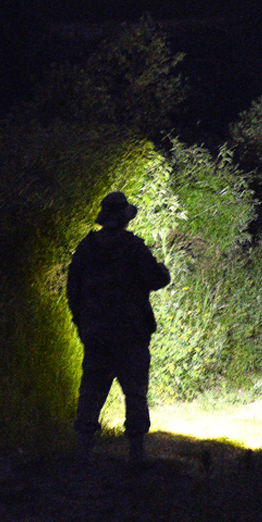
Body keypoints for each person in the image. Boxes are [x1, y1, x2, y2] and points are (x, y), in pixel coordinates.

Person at [67, 191, 170, 464]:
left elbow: (73, 290)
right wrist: (163, 270)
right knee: (135, 390)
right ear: (124, 219)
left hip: (97, 333)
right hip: (130, 332)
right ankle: (136, 451)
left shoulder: (86, 248)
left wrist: (82, 323)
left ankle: (84, 449)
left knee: (91, 388)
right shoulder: (133, 247)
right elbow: (156, 279)